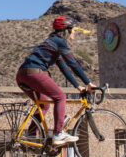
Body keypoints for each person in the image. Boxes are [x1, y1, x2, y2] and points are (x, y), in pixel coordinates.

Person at [16, 15, 96, 145]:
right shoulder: (59, 43)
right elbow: (73, 64)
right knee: (60, 97)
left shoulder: (51, 43)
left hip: (22, 75)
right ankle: (58, 133)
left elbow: (64, 68)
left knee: (44, 105)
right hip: (35, 73)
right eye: (73, 30)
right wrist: (88, 83)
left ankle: (30, 134)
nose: (74, 32)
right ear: (67, 30)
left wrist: (78, 86)